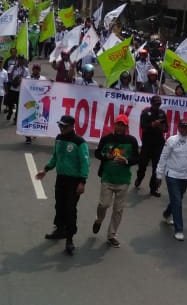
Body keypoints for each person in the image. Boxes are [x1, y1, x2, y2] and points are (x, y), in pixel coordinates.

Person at [35, 115, 89, 255]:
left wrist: (82, 182)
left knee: (70, 209)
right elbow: (55, 157)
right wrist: (46, 169)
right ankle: (59, 230)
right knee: (59, 205)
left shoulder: (79, 142)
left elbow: (85, 163)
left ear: (72, 127)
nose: (61, 128)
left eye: (64, 126)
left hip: (74, 181)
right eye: (60, 125)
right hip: (61, 179)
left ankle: (69, 239)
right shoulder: (59, 139)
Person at [92, 114, 139, 247]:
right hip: (107, 177)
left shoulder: (132, 140)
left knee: (118, 210)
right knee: (103, 205)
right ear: (114, 124)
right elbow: (97, 153)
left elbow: (137, 158)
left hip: (123, 180)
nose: (120, 127)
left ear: (126, 127)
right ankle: (99, 220)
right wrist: (106, 156)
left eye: (122, 125)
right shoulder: (106, 139)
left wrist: (127, 161)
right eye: (118, 124)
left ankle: (111, 235)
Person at [156, 118, 187, 241]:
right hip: (172, 175)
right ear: (178, 128)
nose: (184, 129)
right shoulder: (171, 140)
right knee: (177, 201)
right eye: (182, 127)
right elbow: (163, 157)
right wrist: (158, 174)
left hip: (185, 176)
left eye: (186, 127)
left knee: (177, 198)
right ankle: (179, 230)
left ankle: (167, 213)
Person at [134, 95, 168, 196]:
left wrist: (161, 126)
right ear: (151, 104)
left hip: (158, 144)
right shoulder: (145, 113)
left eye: (159, 104)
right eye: (155, 104)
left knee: (156, 167)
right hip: (147, 143)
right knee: (142, 165)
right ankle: (139, 178)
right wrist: (152, 124)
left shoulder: (162, 113)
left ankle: (153, 189)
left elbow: (166, 128)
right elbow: (143, 127)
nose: (157, 106)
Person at [23, 63, 47, 144]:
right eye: (35, 69)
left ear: (39, 70)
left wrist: (51, 82)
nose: (36, 70)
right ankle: (27, 137)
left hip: (38, 103)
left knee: (37, 118)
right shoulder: (27, 78)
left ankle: (35, 131)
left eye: (38, 69)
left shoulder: (43, 79)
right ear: (32, 70)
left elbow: (47, 87)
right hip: (29, 102)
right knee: (27, 118)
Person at [5, 55, 27, 121]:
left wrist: (22, 80)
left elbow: (28, 79)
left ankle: (16, 117)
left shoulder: (26, 70)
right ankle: (10, 112)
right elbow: (8, 75)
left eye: (22, 59)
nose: (20, 60)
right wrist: (11, 82)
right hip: (12, 88)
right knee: (10, 103)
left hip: (20, 89)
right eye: (19, 59)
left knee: (18, 104)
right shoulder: (12, 67)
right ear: (17, 60)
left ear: (23, 60)